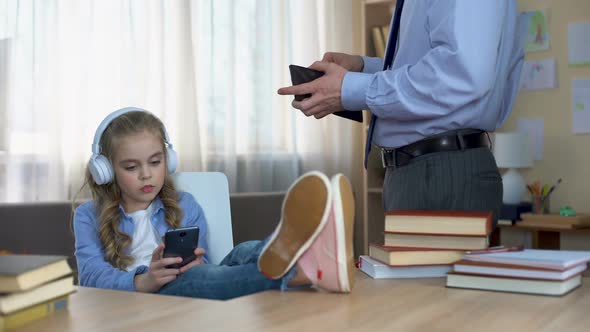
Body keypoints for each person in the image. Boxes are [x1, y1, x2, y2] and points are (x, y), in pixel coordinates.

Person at [277, 0, 524, 224]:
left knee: (424, 275)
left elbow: (461, 76)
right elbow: (437, 70)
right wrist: (364, 69)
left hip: (439, 172)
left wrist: (351, 87)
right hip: (424, 170)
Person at [73, 107, 355, 300]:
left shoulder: (185, 203)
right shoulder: (88, 215)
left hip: (190, 280)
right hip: (149, 297)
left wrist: (195, 263)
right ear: (106, 170)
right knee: (199, 279)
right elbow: (90, 276)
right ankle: (305, 269)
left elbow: (203, 261)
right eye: (131, 167)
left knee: (242, 251)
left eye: (156, 162)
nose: (147, 174)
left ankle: (309, 246)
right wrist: (144, 280)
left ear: (168, 161)